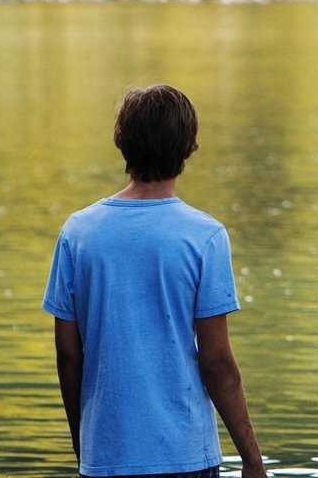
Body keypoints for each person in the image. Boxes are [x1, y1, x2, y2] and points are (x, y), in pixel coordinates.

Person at [43, 85, 267, 478]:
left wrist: (86, 445)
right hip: (184, 455)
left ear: (121, 143)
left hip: (105, 457)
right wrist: (251, 459)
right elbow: (216, 363)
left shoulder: (79, 233)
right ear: (189, 148)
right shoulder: (204, 236)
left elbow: (68, 354)